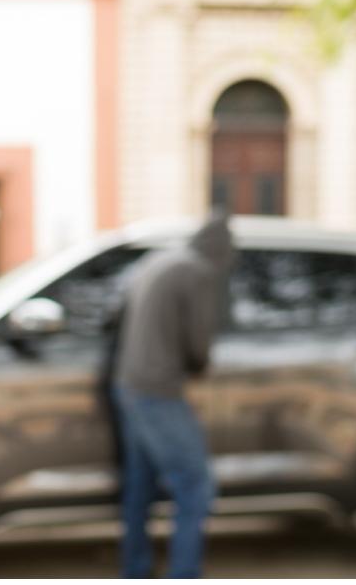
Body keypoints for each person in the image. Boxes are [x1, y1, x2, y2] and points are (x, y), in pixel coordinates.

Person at [111, 209, 235, 578]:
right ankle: (184, 574)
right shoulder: (197, 271)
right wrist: (199, 368)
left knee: (139, 489)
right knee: (196, 488)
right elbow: (199, 341)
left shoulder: (162, 259)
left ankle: (134, 570)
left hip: (128, 383)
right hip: (159, 390)